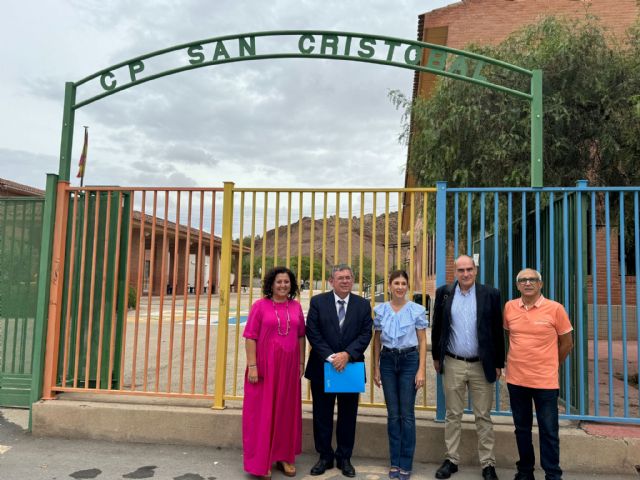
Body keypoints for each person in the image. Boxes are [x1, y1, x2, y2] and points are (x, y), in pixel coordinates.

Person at [431, 255, 505, 480]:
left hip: (482, 364)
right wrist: (436, 356)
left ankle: (488, 464)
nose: (465, 274)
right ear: (455, 272)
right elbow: (437, 326)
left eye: (469, 270)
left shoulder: (490, 294)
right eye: (461, 270)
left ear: (476, 270)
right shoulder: (444, 293)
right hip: (453, 362)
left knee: (483, 415)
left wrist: (499, 362)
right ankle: (451, 460)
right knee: (453, 414)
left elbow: (496, 331)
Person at [503, 268, 573, 480]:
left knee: (549, 431)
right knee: (521, 429)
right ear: (517, 286)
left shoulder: (555, 309)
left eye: (532, 279)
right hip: (516, 380)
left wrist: (551, 363)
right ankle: (525, 471)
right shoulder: (509, 308)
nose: (528, 283)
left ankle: (553, 474)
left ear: (540, 284)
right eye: (523, 280)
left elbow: (567, 343)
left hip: (545, 382)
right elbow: (509, 336)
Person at [304, 264, 373, 478]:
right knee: (322, 414)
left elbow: (365, 334)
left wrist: (347, 355)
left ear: (353, 280)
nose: (345, 281)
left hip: (350, 367)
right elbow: (312, 332)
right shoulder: (318, 302)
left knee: (348, 415)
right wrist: (332, 357)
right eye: (340, 278)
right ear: (331, 281)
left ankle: (344, 457)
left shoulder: (363, 305)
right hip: (323, 366)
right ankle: (325, 456)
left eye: (348, 277)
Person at [242, 266, 306, 480]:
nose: (283, 285)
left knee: (286, 412)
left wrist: (300, 363)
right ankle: (262, 460)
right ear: (271, 284)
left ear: (292, 285)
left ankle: (284, 457)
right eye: (279, 282)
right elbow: (250, 337)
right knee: (263, 413)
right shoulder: (259, 306)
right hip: (264, 369)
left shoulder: (296, 307)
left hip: (288, 369)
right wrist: (252, 365)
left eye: (286, 282)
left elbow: (300, 337)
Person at [373, 270, 428, 480]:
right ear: (389, 286)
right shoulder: (381, 310)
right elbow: (376, 340)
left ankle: (406, 462)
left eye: (403, 283)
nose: (399, 287)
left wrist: (421, 369)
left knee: (407, 415)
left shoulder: (416, 310)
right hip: (387, 361)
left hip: (409, 361)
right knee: (393, 414)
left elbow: (422, 341)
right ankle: (394, 462)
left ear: (407, 286)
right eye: (396, 283)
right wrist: (376, 367)